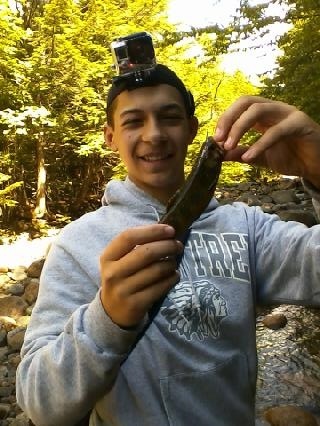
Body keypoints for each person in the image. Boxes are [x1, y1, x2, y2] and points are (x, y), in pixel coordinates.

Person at [16, 63, 320, 426]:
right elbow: (40, 403)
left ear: (191, 129)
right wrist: (107, 318)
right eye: (133, 121)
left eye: (169, 117)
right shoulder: (77, 244)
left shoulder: (247, 227)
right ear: (110, 136)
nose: (154, 134)